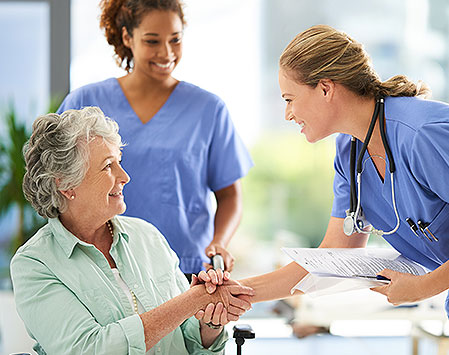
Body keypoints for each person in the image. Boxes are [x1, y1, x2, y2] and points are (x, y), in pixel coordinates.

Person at [202, 24, 449, 315]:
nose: (288, 114)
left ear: (325, 88)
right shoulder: (350, 152)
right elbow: (333, 254)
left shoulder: (422, 134)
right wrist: (235, 292)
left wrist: (423, 287)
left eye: (289, 99)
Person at [10, 107, 254, 354]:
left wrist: (208, 322)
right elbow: (89, 349)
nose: (124, 176)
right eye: (107, 166)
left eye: (120, 162)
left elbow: (189, 340)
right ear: (65, 184)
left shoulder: (147, 236)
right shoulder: (34, 264)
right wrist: (192, 300)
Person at [57, 0, 253, 279]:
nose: (166, 53)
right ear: (128, 37)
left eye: (175, 40)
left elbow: (230, 194)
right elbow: (58, 184)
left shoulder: (208, 109)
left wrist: (219, 242)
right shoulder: (85, 102)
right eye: (152, 41)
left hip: (185, 269)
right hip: (102, 268)